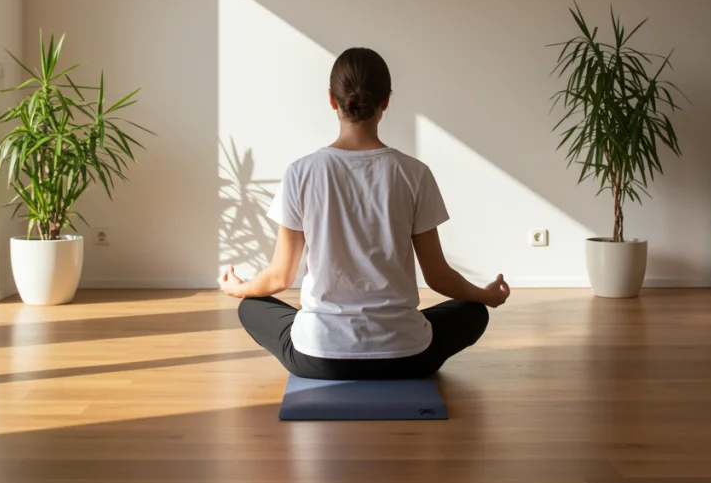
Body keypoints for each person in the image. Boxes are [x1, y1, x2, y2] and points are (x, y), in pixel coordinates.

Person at [218, 47, 510, 380]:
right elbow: (438, 276)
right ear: (386, 101)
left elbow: (279, 277)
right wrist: (486, 296)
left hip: (320, 357)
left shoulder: (301, 172)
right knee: (473, 312)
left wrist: (238, 289)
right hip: (406, 356)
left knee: (251, 306)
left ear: (332, 99)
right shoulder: (413, 173)